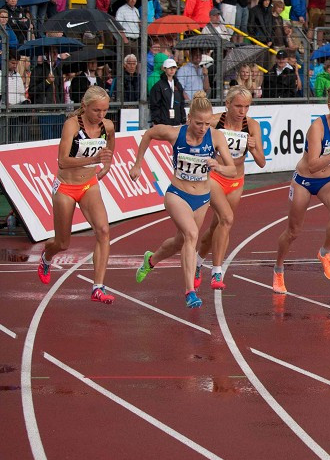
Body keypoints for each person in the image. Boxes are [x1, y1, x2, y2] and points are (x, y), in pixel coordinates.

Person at [130, 92, 236, 308]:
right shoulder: (174, 133)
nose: (203, 128)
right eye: (198, 123)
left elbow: (232, 170)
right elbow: (149, 133)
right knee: (191, 235)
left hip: (202, 197)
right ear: (189, 119)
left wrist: (218, 166)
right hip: (177, 194)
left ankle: (151, 260)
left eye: (207, 123)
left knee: (181, 241)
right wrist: (137, 163)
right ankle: (190, 291)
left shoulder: (216, 137)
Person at [272, 87, 330, 294]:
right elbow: (313, 165)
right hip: (305, 180)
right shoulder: (317, 128)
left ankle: (325, 253)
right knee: (293, 231)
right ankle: (278, 269)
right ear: (329, 107)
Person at [36, 87, 116, 304]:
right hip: (66, 186)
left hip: (89, 184)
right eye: (96, 110)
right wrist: (94, 160)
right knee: (63, 243)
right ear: (85, 106)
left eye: (105, 110)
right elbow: (62, 161)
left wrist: (106, 165)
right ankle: (47, 256)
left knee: (103, 230)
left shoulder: (107, 126)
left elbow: (110, 146)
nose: (101, 115)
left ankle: (98, 287)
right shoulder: (72, 125)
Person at [193, 85, 266, 290]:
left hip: (236, 181)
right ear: (228, 104)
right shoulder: (215, 122)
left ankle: (197, 264)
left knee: (218, 226)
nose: (242, 111)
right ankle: (217, 272)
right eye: (238, 106)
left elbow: (261, 162)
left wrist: (252, 147)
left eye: (246, 107)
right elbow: (193, 139)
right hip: (215, 177)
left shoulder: (252, 126)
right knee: (227, 219)